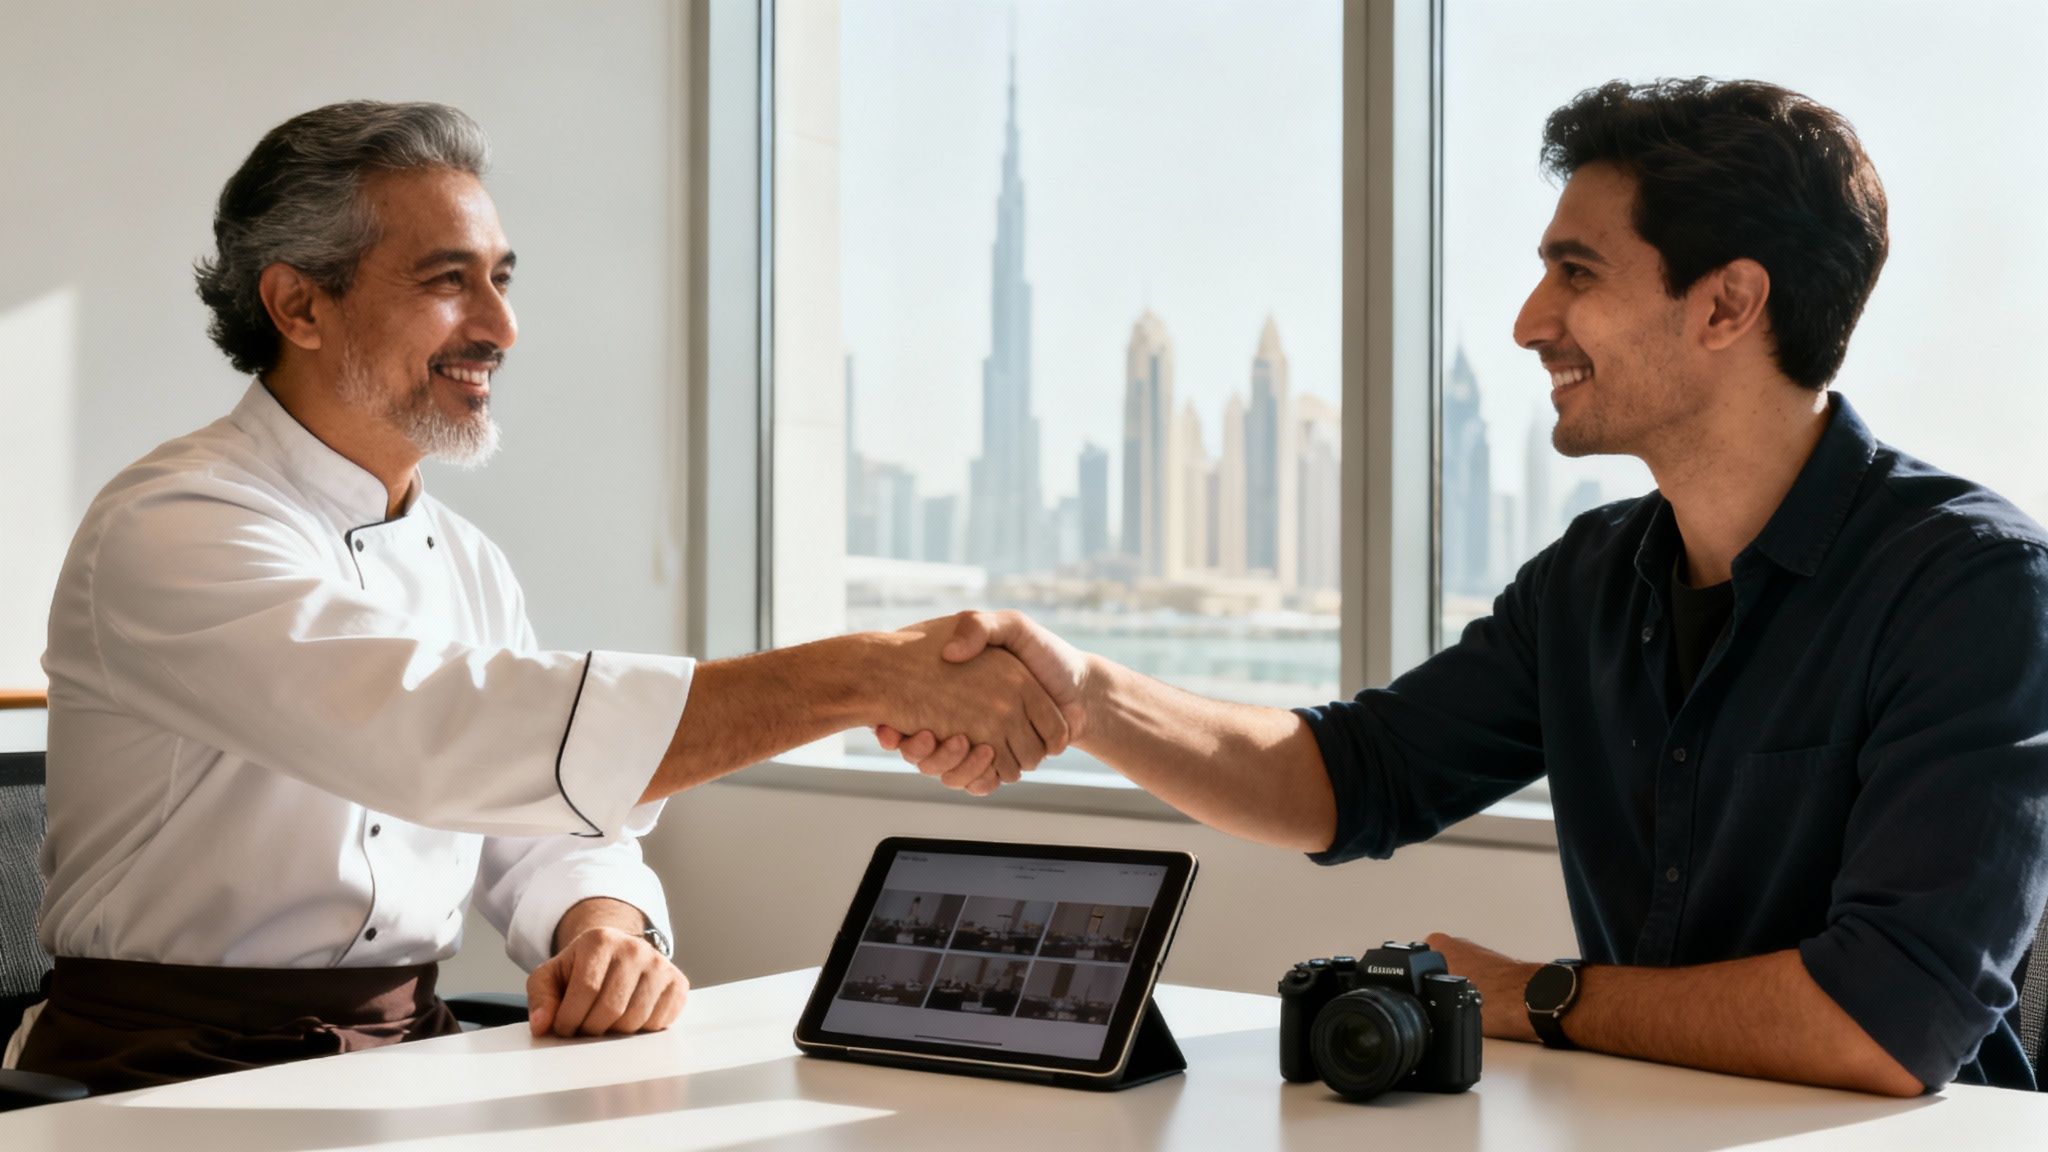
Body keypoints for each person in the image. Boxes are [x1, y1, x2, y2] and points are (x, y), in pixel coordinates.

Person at [883, 78, 2048, 1095]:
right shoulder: (1588, 582)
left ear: (1725, 304)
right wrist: (1080, 692)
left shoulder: (1970, 589)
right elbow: (1347, 779)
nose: (1528, 321)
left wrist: (1539, 996)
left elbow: (1887, 1022)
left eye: (1573, 272)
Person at [11, 101, 1068, 1094]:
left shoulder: (464, 559)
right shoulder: (173, 527)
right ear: (299, 304)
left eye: (503, 278)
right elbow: (444, 733)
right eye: (447, 281)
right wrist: (860, 675)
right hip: (150, 1076)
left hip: (406, 1063)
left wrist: (604, 927)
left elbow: (545, 826)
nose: (501, 328)